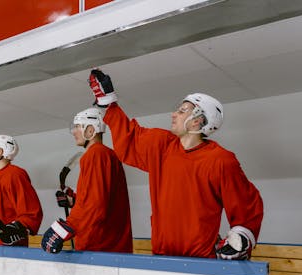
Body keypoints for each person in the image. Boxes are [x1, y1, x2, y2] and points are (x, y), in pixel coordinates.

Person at [87, 69, 263, 260]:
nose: (174, 114)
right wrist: (109, 102)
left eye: (182, 111)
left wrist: (241, 237)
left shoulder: (221, 160)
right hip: (162, 258)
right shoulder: (161, 146)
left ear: (197, 120)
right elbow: (129, 136)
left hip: (201, 263)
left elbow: (246, 204)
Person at [41, 107, 133, 254]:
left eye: (77, 127)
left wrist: (65, 229)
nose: (74, 132)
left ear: (90, 130)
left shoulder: (96, 154)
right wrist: (73, 200)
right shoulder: (107, 155)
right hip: (112, 246)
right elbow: (100, 199)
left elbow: (94, 204)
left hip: (99, 246)